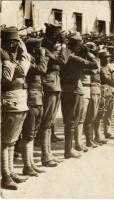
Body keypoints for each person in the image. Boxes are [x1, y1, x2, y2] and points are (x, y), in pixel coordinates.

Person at [1, 27, 31, 190]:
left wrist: (22, 49)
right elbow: (6, 78)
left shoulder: (14, 57)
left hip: (19, 101)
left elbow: (23, 69)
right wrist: (6, 61)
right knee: (5, 141)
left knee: (12, 141)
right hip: (9, 102)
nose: (14, 45)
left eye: (16, 41)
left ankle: (11, 172)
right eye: (10, 41)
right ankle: (5, 176)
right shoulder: (3, 58)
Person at [60, 35, 99, 159]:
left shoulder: (65, 56)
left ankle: (69, 149)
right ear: (77, 45)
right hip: (73, 91)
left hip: (68, 90)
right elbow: (95, 65)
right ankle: (68, 150)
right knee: (72, 122)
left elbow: (90, 71)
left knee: (71, 122)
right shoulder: (73, 57)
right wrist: (88, 52)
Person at [38, 22, 66, 167]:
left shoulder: (51, 49)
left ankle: (48, 153)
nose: (58, 38)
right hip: (49, 85)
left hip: (55, 84)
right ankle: (45, 156)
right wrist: (64, 45)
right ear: (50, 35)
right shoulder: (44, 49)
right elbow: (63, 60)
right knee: (46, 123)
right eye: (56, 34)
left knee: (49, 123)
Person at [21, 38, 48, 177]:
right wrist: (42, 56)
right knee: (28, 134)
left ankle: (31, 164)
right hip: (31, 99)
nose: (40, 50)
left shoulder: (34, 59)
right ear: (33, 48)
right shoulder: (27, 60)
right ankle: (27, 166)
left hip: (38, 99)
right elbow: (42, 69)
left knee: (33, 134)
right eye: (38, 48)